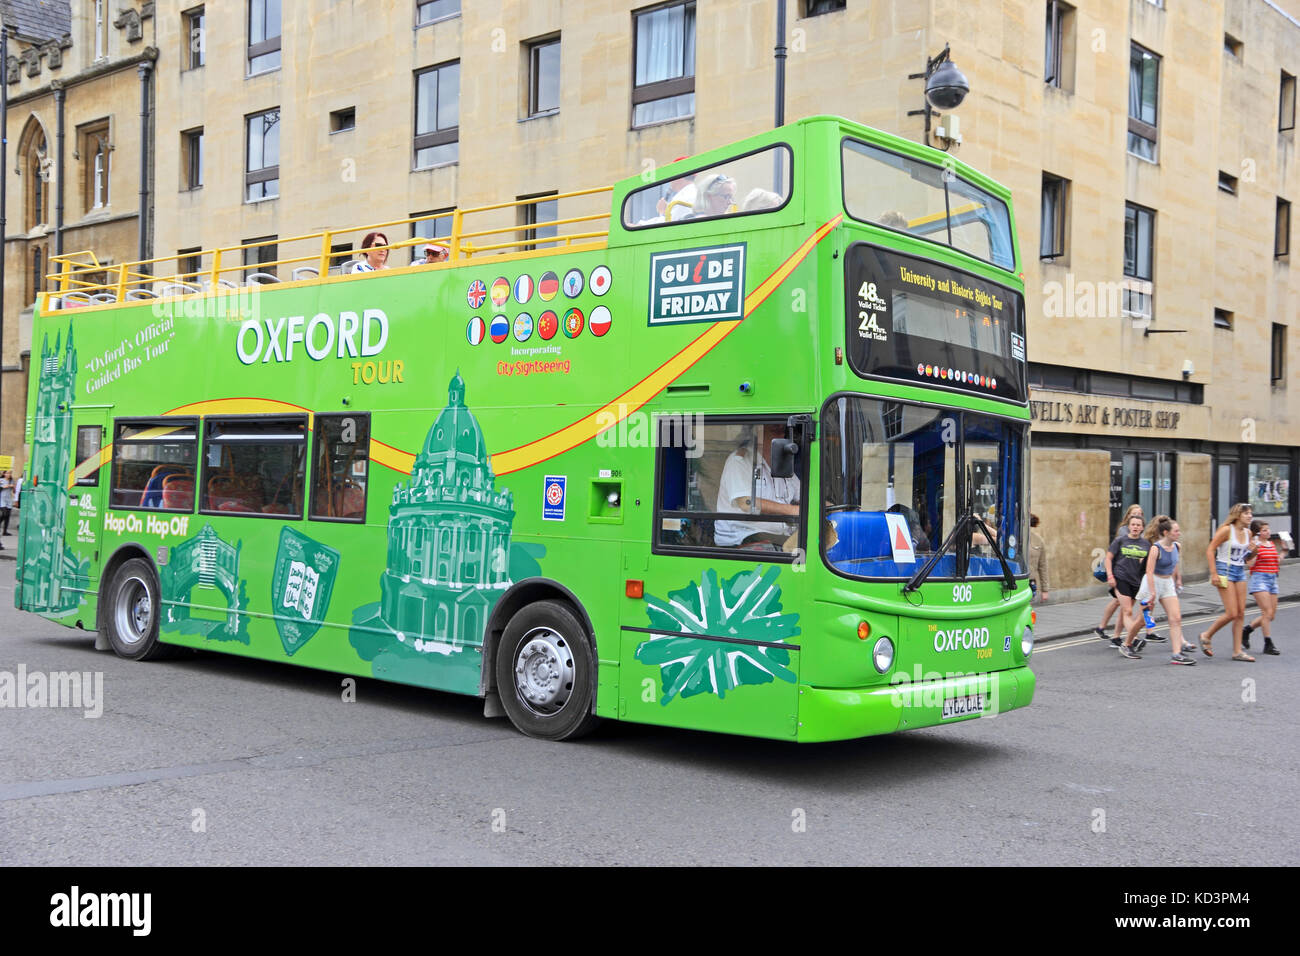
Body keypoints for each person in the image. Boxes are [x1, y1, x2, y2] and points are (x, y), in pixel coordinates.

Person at [714, 423, 800, 550]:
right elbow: (746, 503)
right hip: (743, 537)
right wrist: (791, 510)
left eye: (782, 429)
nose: (780, 433)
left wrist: (830, 507)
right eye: (774, 428)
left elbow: (805, 495)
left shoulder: (783, 465)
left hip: (777, 537)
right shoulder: (739, 461)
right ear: (757, 431)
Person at [1123, 516, 1194, 664]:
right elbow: (1149, 571)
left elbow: (1174, 564)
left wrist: (1177, 579)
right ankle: (1127, 644)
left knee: (1176, 618)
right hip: (1151, 583)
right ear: (1166, 532)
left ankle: (1176, 654)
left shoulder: (1177, 546)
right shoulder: (1156, 548)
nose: (1179, 533)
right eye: (1176, 531)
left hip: (1167, 583)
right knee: (1143, 621)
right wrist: (1153, 592)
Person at [1199, 502, 1256, 661]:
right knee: (1232, 612)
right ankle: (1206, 635)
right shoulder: (1226, 530)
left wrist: (1253, 551)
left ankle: (1237, 651)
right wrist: (1213, 573)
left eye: (1251, 513)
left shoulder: (1248, 533)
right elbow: (1210, 549)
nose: (1250, 516)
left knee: (1241, 613)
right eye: (1246, 513)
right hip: (1225, 569)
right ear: (1238, 515)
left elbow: (1246, 559)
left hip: (1239, 570)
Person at [1095, 504, 1144, 643]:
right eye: (1134, 514)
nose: (1137, 516)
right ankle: (1130, 637)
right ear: (1128, 516)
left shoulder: (1141, 532)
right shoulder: (1124, 532)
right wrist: (1111, 575)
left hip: (1133, 576)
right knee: (1124, 607)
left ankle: (1112, 634)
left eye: (1140, 514)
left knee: (1121, 605)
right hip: (1121, 573)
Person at [1105, 512, 1151, 659]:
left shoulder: (1146, 544)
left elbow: (1148, 565)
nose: (1135, 527)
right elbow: (1108, 558)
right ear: (1129, 526)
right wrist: (1110, 576)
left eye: (1138, 525)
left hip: (1136, 581)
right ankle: (1133, 640)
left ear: (1142, 528)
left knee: (1125, 612)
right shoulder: (1120, 540)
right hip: (1121, 578)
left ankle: (1117, 638)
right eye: (1133, 525)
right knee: (1127, 611)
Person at [1243, 518, 1287, 655]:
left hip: (1272, 579)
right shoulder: (1253, 545)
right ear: (1257, 533)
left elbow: (1276, 562)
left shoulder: (1271, 544)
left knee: (1271, 615)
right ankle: (1268, 643)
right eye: (1264, 530)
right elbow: (1249, 564)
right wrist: (1255, 550)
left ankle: (1247, 630)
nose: (1268, 532)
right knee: (1266, 613)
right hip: (1259, 579)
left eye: (1268, 529)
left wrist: (1284, 551)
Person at [1028, 513, 1049, 602]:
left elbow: (1042, 566)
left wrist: (1045, 589)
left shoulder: (1038, 540)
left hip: (1029, 583)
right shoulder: (1009, 539)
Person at [0, 471, 12, 537]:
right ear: (4, 474)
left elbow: (14, 490)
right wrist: (3, 487)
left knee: (7, 516)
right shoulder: (1, 480)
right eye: (7, 473)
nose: (9, 474)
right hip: (2, 499)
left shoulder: (11, 481)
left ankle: (5, 531)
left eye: (10, 473)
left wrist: (12, 486)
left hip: (9, 500)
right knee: (4, 514)